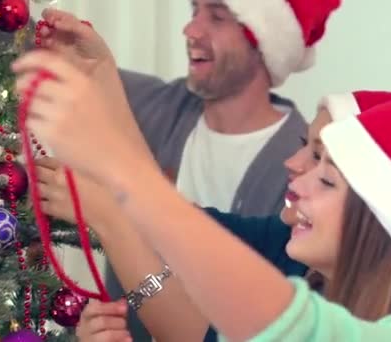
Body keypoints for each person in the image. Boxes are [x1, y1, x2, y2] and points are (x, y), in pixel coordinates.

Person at [12, 15, 391, 341]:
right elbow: (180, 230)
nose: (294, 169)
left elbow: (245, 327)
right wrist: (103, 78)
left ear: (381, 226)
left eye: (326, 175)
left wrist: (115, 208)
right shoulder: (301, 258)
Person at [38, 2, 340, 338]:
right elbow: (172, 216)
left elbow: (207, 331)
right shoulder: (160, 106)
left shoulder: (296, 202)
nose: (191, 30)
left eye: (218, 16)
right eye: (194, 11)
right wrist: (99, 70)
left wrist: (110, 216)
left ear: (265, 44)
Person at [35, 91, 391, 341]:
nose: (292, 165)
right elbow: (168, 217)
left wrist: (110, 220)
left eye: (324, 171)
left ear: (373, 214)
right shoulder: (286, 245)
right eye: (305, 148)